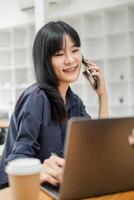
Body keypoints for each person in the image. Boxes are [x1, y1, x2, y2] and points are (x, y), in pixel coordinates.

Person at [0, 21, 108, 189]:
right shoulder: (36, 98)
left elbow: (95, 144)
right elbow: (16, 161)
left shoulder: (74, 101)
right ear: (45, 60)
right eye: (59, 54)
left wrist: (102, 95)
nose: (70, 60)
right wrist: (40, 169)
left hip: (55, 186)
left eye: (75, 50)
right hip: (20, 189)